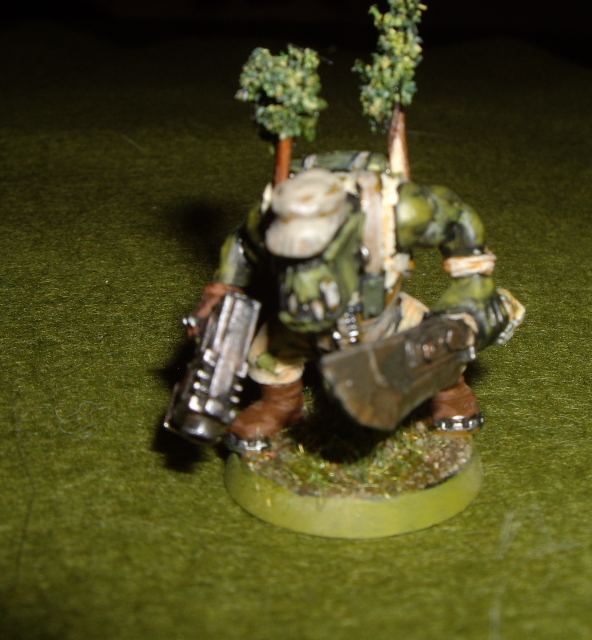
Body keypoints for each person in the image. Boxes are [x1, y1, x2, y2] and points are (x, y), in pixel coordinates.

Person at [185, 152, 524, 453]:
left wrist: (473, 279)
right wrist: (222, 290)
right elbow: (242, 246)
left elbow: (456, 219)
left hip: (383, 313)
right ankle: (282, 405)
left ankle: (453, 398)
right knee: (264, 352)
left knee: (437, 343)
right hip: (303, 324)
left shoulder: (400, 213)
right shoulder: (268, 219)